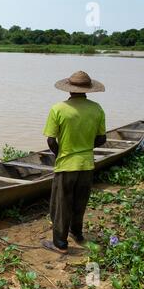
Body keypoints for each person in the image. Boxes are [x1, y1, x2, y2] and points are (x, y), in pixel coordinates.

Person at [41, 71, 107, 255]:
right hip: (86, 164)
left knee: (62, 204)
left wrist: (61, 153)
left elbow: (51, 141)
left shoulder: (58, 109)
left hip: (66, 164)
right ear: (88, 90)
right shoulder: (97, 109)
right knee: (80, 202)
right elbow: (102, 139)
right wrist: (85, 148)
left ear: (69, 89)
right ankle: (76, 233)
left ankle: (60, 243)